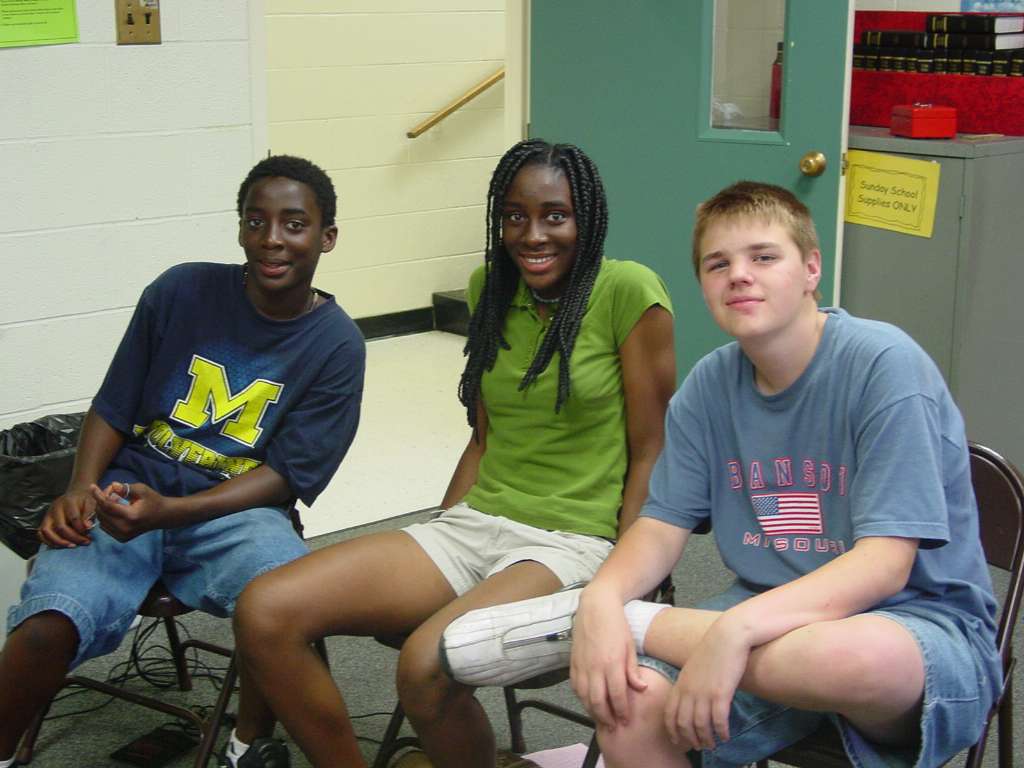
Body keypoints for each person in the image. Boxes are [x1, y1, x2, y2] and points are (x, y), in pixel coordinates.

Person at [441, 181, 1002, 768]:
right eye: (718, 264)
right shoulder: (709, 385)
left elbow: (885, 564)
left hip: (912, 623)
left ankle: (632, 623)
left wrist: (728, 631)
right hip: (764, 611)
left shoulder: (885, 365)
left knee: (855, 658)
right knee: (628, 710)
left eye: (764, 257)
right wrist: (604, 594)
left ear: (811, 269)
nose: (739, 276)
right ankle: (609, 616)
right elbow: (661, 525)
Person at [232, 138, 676, 768]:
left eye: (555, 215)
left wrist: (627, 583)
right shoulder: (490, 286)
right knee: (264, 609)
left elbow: (652, 448)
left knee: (425, 663)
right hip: (477, 524)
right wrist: (440, 529)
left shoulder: (629, 291)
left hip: (572, 542)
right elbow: (484, 437)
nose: (533, 235)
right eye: (515, 216)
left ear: (588, 219)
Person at [0, 155, 365, 768]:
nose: (272, 239)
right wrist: (81, 486)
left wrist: (172, 512)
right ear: (241, 228)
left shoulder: (336, 344)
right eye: (256, 221)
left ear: (327, 237)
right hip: (124, 494)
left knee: (287, 607)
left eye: (294, 224)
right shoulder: (181, 291)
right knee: (49, 622)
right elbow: (113, 406)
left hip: (239, 512)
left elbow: (284, 476)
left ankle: (246, 747)